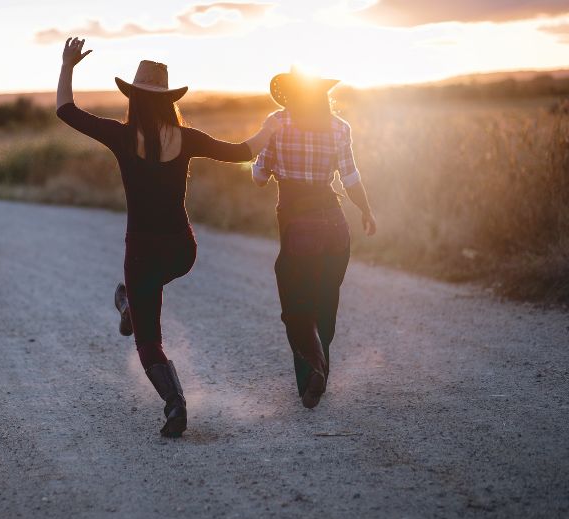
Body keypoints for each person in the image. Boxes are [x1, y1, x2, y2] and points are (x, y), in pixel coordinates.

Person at [56, 38, 279, 437]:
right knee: (146, 290)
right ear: (169, 99)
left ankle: (175, 403)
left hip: (141, 253)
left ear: (134, 98)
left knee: (148, 341)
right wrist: (271, 126)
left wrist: (68, 65)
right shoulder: (187, 138)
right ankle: (131, 304)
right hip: (181, 250)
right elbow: (243, 152)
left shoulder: (121, 136)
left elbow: (66, 110)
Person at [251, 67, 377, 409]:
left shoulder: (278, 123)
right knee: (325, 301)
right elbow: (350, 178)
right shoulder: (339, 127)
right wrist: (366, 211)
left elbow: (260, 175)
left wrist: (264, 166)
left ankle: (313, 373)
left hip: (299, 229)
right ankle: (316, 375)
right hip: (337, 227)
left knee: (296, 308)